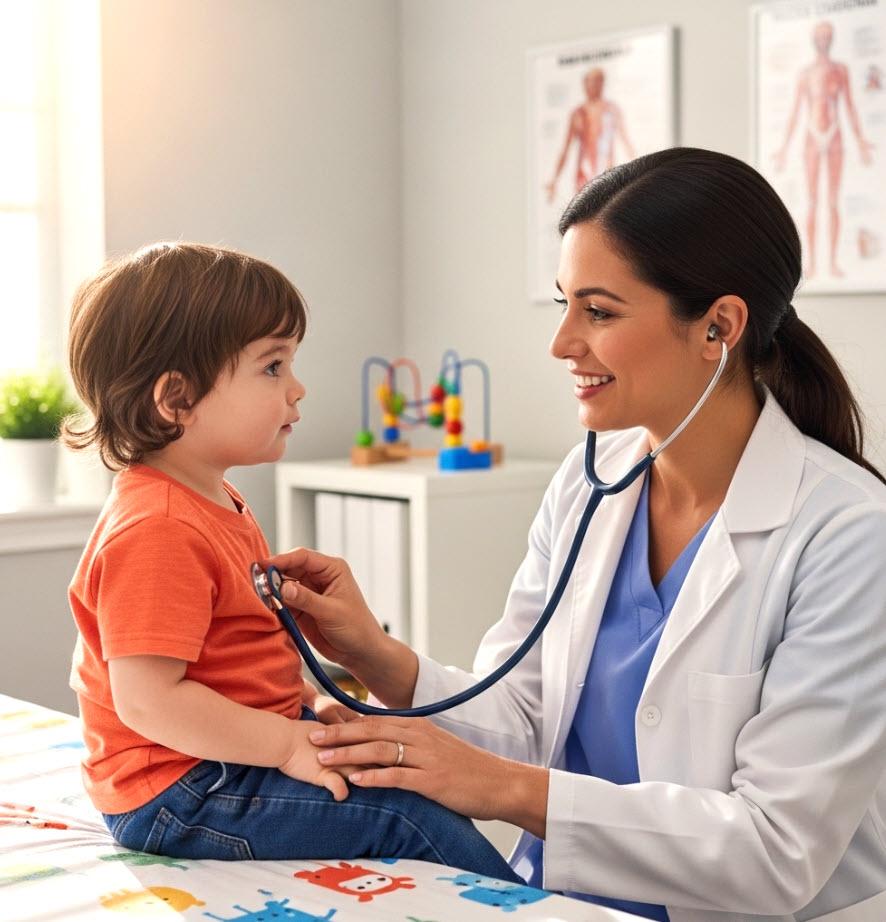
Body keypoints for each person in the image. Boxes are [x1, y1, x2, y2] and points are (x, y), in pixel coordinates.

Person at [266, 149, 886, 921]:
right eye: (565, 304)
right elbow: (527, 717)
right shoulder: (590, 482)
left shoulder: (847, 535)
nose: (562, 342)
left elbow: (777, 849)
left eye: (598, 312)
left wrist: (503, 788)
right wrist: (374, 657)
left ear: (719, 327)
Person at [61, 242, 519, 880]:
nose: (298, 389)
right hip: (177, 789)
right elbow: (148, 703)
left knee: (405, 771)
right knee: (408, 814)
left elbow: (235, 659)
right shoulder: (157, 528)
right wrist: (284, 743)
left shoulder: (213, 501)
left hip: (214, 760)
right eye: (273, 367)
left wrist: (306, 706)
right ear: (177, 399)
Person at [773, 20, 876, 279]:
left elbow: (849, 106)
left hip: (835, 135)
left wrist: (861, 140)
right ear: (814, 39)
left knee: (832, 201)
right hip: (812, 136)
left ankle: (831, 262)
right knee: (812, 201)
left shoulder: (840, 70)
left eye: (827, 36)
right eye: (820, 36)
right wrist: (784, 148)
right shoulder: (805, 74)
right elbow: (796, 112)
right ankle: (812, 264)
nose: (824, 40)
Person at [545, 67, 635, 203]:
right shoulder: (577, 114)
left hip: (608, 174)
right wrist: (554, 179)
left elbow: (627, 143)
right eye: (590, 82)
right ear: (584, 84)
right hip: (583, 176)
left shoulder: (612, 110)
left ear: (602, 84)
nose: (592, 86)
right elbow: (565, 149)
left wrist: (640, 176)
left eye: (597, 82)